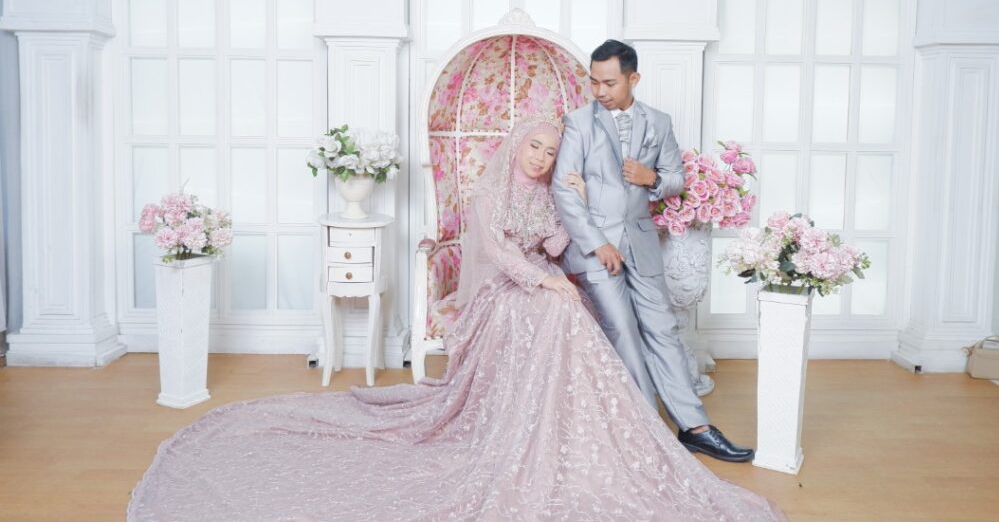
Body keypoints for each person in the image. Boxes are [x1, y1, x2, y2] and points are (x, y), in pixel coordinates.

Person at [128, 118, 784, 521]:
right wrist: (543, 280)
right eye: (534, 146)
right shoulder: (489, 190)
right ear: (518, 144)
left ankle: (571, 424)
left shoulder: (550, 191)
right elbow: (500, 252)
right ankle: (524, 422)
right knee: (553, 308)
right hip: (502, 290)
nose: (540, 158)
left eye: (550, 151)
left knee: (567, 311)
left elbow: (558, 247)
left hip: (544, 285)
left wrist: (578, 206)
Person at [553, 39, 754, 462]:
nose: (599, 91)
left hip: (642, 243)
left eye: (609, 83)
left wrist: (652, 179)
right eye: (594, 82)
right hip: (596, 248)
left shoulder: (659, 122)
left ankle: (695, 428)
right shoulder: (578, 123)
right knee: (623, 329)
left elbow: (675, 178)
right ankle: (647, 429)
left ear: (634, 78)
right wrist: (598, 243)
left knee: (663, 330)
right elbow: (564, 190)